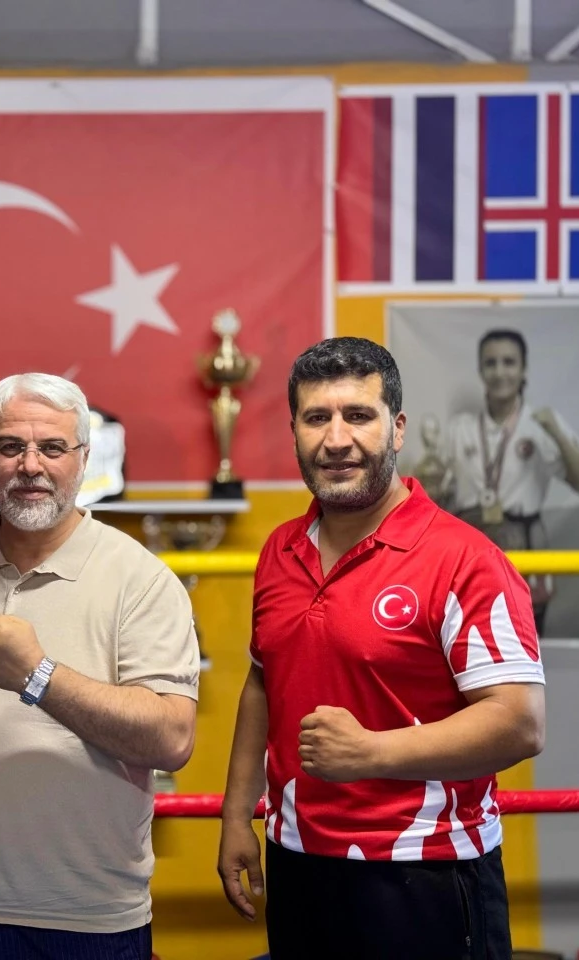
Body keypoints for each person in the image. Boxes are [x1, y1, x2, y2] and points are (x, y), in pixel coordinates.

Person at [217, 338, 546, 960]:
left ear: (396, 428)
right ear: (294, 432)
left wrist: (371, 752)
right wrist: (237, 816)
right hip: (298, 862)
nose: (336, 439)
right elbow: (262, 681)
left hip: (427, 868)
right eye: (317, 418)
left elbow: (520, 723)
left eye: (358, 416)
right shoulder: (280, 549)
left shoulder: (465, 559)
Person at [0, 372, 199, 960]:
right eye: (10, 446)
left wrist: (37, 676)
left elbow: (172, 738)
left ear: (83, 458)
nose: (30, 465)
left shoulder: (141, 579)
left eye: (52, 447)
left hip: (87, 915)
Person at [434, 328, 579, 636]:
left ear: (524, 369)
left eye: (509, 362)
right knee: (469, 644)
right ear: (481, 370)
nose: (500, 372)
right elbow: (436, 493)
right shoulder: (459, 429)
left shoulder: (541, 424)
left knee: (523, 648)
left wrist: (557, 433)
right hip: (470, 552)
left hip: (526, 549)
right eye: (491, 363)